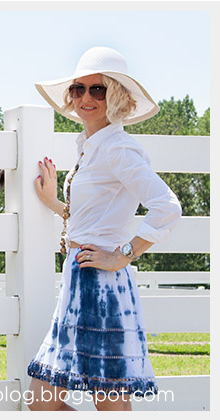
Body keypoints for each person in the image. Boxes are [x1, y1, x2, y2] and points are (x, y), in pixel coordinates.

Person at [27, 47, 182, 411]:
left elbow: (167, 206)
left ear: (115, 96)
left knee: (109, 405)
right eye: (79, 89)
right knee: (40, 401)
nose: (85, 97)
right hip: (79, 280)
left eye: (98, 89)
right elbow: (97, 217)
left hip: (103, 285)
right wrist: (55, 205)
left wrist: (122, 255)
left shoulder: (117, 149)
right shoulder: (90, 147)